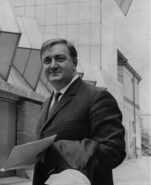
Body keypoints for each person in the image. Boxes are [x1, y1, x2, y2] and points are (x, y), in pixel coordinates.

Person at [33, 38, 126, 185]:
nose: (53, 65)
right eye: (47, 61)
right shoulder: (45, 104)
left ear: (75, 63)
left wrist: (57, 149)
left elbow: (113, 150)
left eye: (60, 58)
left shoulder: (97, 97)